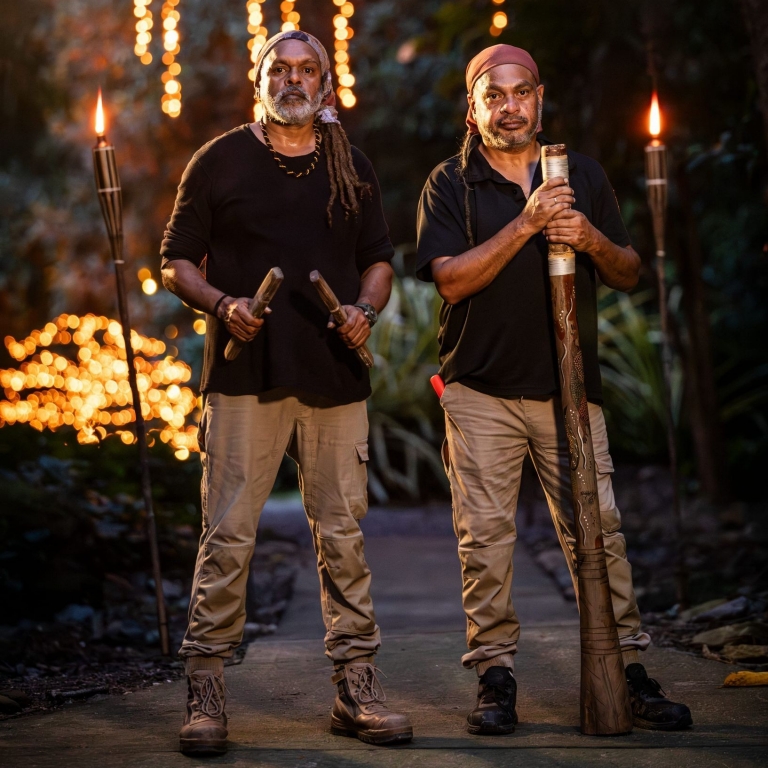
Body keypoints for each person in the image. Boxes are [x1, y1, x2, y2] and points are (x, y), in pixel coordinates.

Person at [416, 44, 692, 736]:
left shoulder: (582, 175)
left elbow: (628, 271)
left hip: (570, 389)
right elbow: (450, 278)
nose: (511, 106)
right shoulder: (450, 184)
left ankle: (626, 669)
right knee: (485, 538)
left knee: (599, 532)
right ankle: (495, 676)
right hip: (480, 389)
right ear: (474, 112)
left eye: (522, 92)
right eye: (494, 96)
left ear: (539, 97)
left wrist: (588, 237)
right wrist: (529, 223)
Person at [160, 30, 413, 756]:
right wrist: (219, 304)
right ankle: (205, 691)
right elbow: (177, 261)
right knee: (229, 533)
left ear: (326, 87)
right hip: (246, 374)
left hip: (334, 375)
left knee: (344, 537)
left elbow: (378, 262)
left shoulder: (350, 164)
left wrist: (365, 310)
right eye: (282, 69)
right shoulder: (219, 160)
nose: (294, 80)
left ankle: (356, 688)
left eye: (308, 71)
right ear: (260, 79)